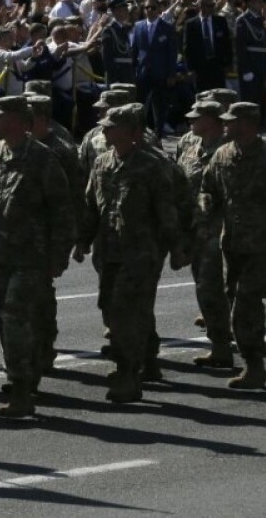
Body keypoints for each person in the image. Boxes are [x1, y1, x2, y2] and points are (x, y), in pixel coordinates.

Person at [0, 96, 73, 417]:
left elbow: (61, 209)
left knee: (15, 318)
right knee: (5, 319)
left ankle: (21, 388)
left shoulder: (42, 158)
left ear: (15, 120)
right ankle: (27, 373)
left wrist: (59, 255)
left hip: (32, 256)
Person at [76, 104, 177, 403]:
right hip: (110, 251)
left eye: (112, 126)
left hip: (141, 252)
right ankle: (147, 361)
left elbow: (166, 210)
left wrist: (176, 248)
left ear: (132, 132)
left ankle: (128, 374)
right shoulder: (103, 163)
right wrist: (82, 239)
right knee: (112, 307)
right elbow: (91, 204)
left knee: (126, 311)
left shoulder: (152, 165)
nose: (105, 130)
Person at [199, 101, 266, 389]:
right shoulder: (223, 155)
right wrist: (205, 205)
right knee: (236, 304)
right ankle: (251, 363)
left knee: (246, 306)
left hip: (261, 247)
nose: (225, 124)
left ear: (248, 124)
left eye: (231, 121)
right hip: (233, 245)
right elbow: (207, 188)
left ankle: (254, 366)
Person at [27, 94, 84, 372]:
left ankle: (43, 351)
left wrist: (70, 242)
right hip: (18, 242)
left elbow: (71, 198)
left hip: (45, 239)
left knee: (41, 299)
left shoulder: (59, 150)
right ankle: (26, 359)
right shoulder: (18, 148)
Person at [174, 99, 232, 367]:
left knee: (213, 290)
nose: (191, 120)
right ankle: (220, 343)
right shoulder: (190, 149)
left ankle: (223, 348)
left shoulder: (228, 151)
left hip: (220, 233)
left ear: (213, 120)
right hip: (195, 232)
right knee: (204, 288)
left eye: (198, 117)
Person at [132, 0, 178, 134]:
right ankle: (139, 133)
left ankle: (158, 135)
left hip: (161, 73)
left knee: (159, 106)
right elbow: (135, 50)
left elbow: (172, 53)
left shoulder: (167, 28)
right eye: (147, 8)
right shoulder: (138, 26)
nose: (150, 10)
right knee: (140, 105)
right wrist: (133, 70)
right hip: (143, 72)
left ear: (159, 9)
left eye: (153, 7)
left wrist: (171, 74)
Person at [185, 0, 232, 92]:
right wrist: (190, 69)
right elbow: (187, 48)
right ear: (201, 7)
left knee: (219, 94)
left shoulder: (220, 21)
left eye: (213, 5)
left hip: (217, 66)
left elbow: (227, 43)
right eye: (210, 6)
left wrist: (228, 63)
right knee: (203, 97)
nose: (213, 8)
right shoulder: (191, 24)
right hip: (200, 68)